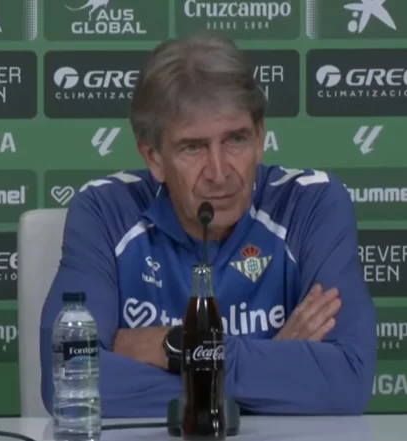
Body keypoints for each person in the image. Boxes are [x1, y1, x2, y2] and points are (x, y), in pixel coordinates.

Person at [39, 29, 377, 418]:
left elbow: (347, 382)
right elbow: (68, 380)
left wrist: (175, 346)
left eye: (236, 140)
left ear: (260, 138)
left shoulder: (311, 204)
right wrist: (276, 371)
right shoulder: (104, 211)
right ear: (154, 158)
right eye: (193, 147)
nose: (219, 173)